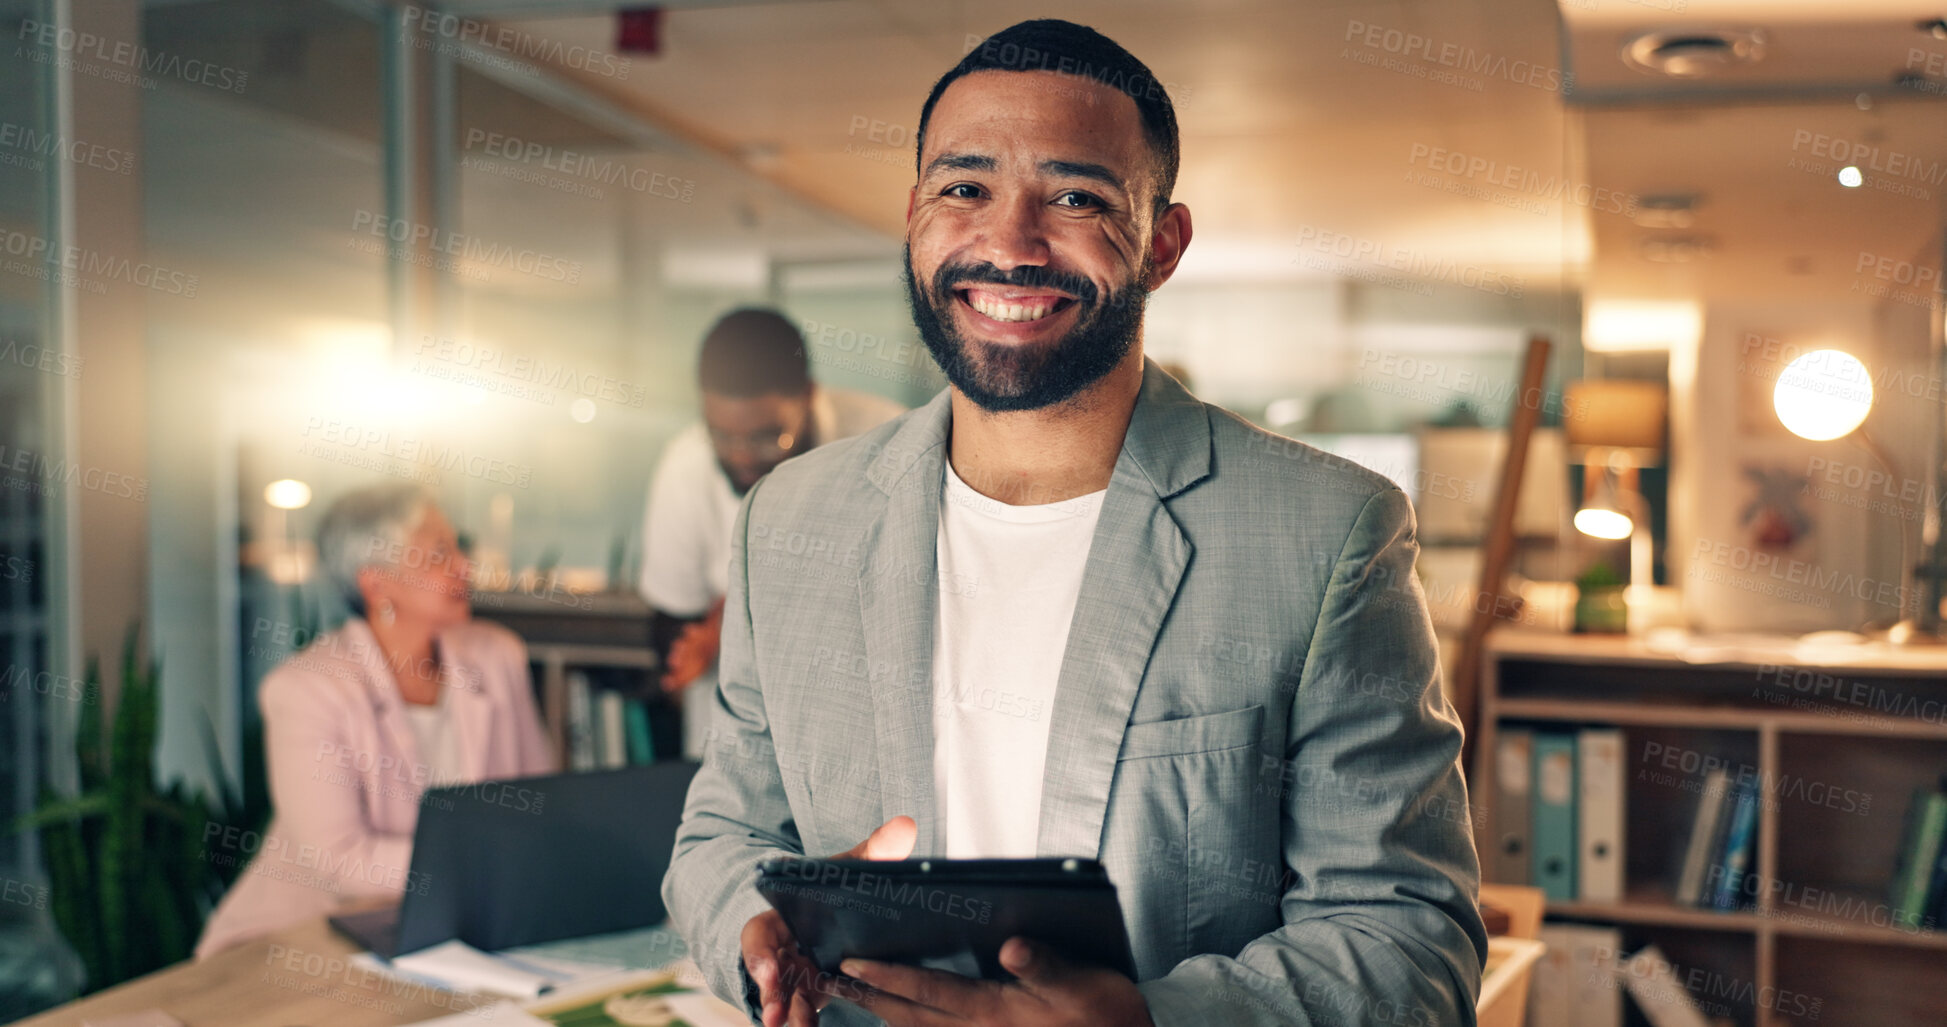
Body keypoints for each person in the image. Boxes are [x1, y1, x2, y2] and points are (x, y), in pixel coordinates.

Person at [662, 18, 1486, 1027]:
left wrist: (1151, 1022)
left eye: (1077, 197)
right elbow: (721, 834)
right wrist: (751, 931)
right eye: (963, 188)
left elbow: (1408, 938)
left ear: (1163, 244)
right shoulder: (789, 518)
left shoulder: (1329, 533)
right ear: (913, 216)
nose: (1009, 245)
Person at [195, 483, 555, 957]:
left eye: (458, 550)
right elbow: (341, 862)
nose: (464, 568)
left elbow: (542, 801)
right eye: (437, 556)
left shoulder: (497, 656)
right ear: (377, 585)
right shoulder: (306, 691)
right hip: (303, 943)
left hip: (457, 932)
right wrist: (482, 865)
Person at [637, 308, 903, 758]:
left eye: (766, 438)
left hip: (861, 738)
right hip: (734, 746)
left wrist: (740, 616)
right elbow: (672, 623)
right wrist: (695, 646)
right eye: (722, 436)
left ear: (807, 395)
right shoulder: (684, 469)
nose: (741, 456)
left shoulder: (890, 444)